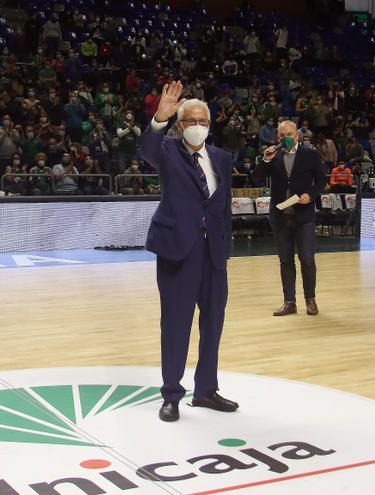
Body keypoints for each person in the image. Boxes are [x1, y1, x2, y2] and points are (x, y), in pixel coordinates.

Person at [139, 81, 236, 423]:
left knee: (213, 325)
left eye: (204, 121)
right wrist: (158, 118)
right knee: (176, 325)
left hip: (214, 254)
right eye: (191, 120)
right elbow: (146, 150)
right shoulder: (167, 151)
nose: (198, 126)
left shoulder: (222, 159)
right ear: (180, 125)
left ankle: (206, 390)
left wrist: (225, 247)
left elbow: (222, 206)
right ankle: (171, 395)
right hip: (178, 251)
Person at [252, 119, 327, 317]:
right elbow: (256, 178)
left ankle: (310, 300)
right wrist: (266, 160)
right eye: (282, 135)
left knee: (307, 259)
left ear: (297, 136)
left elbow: (321, 180)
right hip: (280, 216)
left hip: (304, 216)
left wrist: (310, 194)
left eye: (289, 135)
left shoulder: (310, 154)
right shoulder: (273, 155)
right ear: (278, 137)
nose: (286, 138)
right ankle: (289, 302)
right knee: (285, 260)